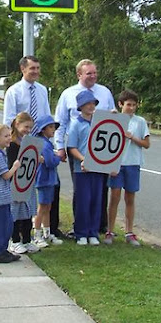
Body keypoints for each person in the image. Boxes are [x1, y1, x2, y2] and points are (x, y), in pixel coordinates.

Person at [3, 55, 63, 239]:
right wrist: (14, 142)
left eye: (37, 68)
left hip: (39, 141)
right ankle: (18, 233)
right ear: (23, 69)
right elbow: (9, 119)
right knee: (21, 188)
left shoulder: (42, 90)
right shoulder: (14, 91)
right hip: (20, 142)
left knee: (50, 187)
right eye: (32, 68)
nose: (36, 71)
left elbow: (45, 115)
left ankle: (48, 229)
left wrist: (49, 143)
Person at [55, 59, 116, 233]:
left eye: (95, 72)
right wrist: (60, 147)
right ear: (79, 74)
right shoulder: (68, 94)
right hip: (78, 147)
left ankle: (98, 226)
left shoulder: (104, 92)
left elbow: (113, 121)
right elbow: (61, 122)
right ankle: (79, 227)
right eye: (89, 73)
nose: (93, 76)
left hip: (101, 148)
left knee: (101, 188)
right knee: (81, 188)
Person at [104, 89, 150, 247]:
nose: (131, 108)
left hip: (133, 163)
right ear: (120, 104)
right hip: (117, 163)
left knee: (130, 198)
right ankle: (110, 230)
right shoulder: (115, 119)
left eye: (134, 105)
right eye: (128, 105)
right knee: (114, 196)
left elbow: (146, 144)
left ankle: (129, 231)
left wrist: (133, 137)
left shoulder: (140, 122)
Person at [67, 90, 105, 246]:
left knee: (96, 200)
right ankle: (81, 232)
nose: (90, 106)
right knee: (83, 200)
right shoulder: (76, 124)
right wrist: (84, 160)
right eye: (87, 104)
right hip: (81, 169)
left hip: (98, 168)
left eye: (92, 103)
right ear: (81, 106)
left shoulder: (99, 122)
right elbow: (72, 147)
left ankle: (93, 232)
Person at [0, 123, 21, 264]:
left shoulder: (1, 153)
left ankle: (2, 250)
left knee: (7, 225)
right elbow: (6, 175)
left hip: (4, 197)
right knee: (0, 227)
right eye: (6, 136)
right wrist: (15, 167)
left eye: (10, 135)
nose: (9, 138)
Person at [7, 112, 40, 254]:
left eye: (30, 128)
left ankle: (27, 240)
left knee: (28, 211)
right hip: (15, 183)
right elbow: (11, 164)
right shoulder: (11, 144)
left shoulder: (28, 142)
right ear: (17, 124)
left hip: (27, 182)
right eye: (26, 126)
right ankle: (15, 241)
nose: (28, 130)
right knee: (15, 213)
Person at [34, 115, 63, 247]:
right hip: (44, 179)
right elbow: (51, 162)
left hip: (49, 179)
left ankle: (47, 232)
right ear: (43, 129)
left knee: (48, 206)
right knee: (42, 207)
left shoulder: (47, 144)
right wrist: (58, 157)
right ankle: (37, 234)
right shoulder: (45, 145)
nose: (53, 130)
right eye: (50, 127)